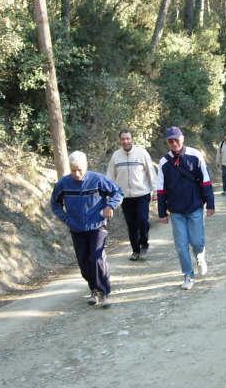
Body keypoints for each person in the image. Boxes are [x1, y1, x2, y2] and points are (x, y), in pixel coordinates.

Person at [51, 151, 123, 309]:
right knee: (84, 262)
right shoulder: (63, 184)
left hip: (97, 225)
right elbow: (55, 204)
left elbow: (118, 192)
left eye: (79, 170)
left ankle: (104, 292)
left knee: (97, 258)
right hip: (76, 228)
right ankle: (94, 289)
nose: (77, 174)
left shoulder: (97, 180)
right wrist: (66, 219)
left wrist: (110, 206)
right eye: (73, 170)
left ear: (86, 166)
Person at [157, 126, 215, 290]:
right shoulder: (163, 162)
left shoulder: (195, 155)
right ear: (167, 142)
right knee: (181, 246)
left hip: (195, 206)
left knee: (197, 242)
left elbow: (205, 181)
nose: (174, 143)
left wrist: (210, 204)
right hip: (176, 211)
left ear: (182, 139)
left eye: (176, 140)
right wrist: (162, 212)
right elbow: (160, 189)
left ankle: (200, 257)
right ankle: (188, 275)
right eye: (170, 141)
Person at [107, 129, 157, 261]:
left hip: (142, 194)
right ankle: (135, 250)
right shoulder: (116, 156)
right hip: (124, 196)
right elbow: (110, 177)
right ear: (120, 140)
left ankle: (144, 244)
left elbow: (151, 172)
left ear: (132, 139)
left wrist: (155, 190)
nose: (125, 141)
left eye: (128, 138)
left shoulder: (142, 153)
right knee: (131, 225)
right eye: (123, 139)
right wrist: (109, 194)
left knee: (143, 221)